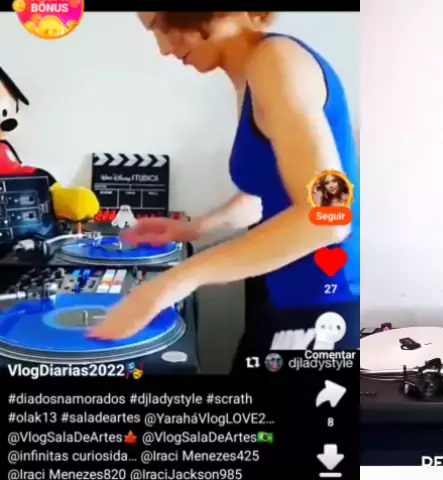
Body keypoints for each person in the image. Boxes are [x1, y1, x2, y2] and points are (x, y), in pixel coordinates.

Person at [88, 12, 360, 363]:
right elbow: (268, 191)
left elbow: (328, 218)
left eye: (161, 27)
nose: (164, 48)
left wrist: (173, 283)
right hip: (280, 289)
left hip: (322, 304)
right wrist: (196, 228)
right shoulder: (251, 73)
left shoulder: (276, 61)